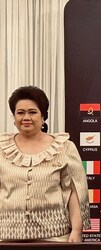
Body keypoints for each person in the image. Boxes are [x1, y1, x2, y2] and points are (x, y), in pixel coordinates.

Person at [0, 86, 90, 242]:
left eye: (32, 112)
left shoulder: (65, 147)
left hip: (54, 237)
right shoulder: (1, 147)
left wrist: (76, 230)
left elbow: (75, 192)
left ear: (43, 117)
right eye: (20, 113)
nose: (26, 117)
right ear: (14, 118)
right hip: (6, 237)